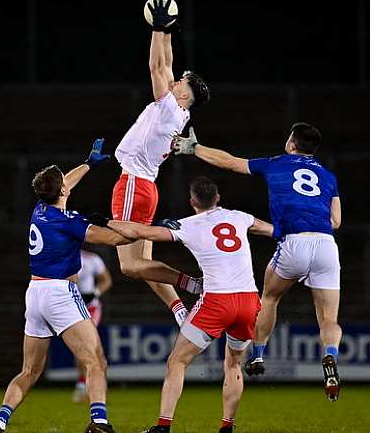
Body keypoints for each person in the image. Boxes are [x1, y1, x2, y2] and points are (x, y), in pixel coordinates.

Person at [171, 122, 343, 401]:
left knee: (270, 298)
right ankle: (330, 357)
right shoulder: (329, 176)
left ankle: (259, 354)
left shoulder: (276, 163)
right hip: (325, 245)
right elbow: (336, 221)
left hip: (294, 241)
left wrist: (194, 148)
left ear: (291, 143)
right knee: (329, 320)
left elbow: (230, 163)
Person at [0, 139, 136, 433]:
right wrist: (146, 229)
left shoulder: (39, 210)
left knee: (29, 371)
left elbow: (62, 184)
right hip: (60, 294)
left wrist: (88, 165)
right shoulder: (69, 221)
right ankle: (99, 421)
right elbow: (117, 239)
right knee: (96, 361)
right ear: (63, 192)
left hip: (34, 294)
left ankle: (0, 420)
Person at [104, 176, 272, 433]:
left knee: (177, 362)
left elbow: (139, 232)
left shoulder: (188, 225)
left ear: (192, 201)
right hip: (249, 300)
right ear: (217, 198)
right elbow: (272, 229)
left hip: (217, 301)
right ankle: (227, 426)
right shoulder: (240, 217)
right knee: (234, 363)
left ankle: (163, 426)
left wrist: (105, 221)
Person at [112, 0, 210, 325]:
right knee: (144, 264)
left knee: (128, 265)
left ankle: (193, 284)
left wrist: (157, 28)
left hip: (133, 184)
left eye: (180, 83)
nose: (174, 81)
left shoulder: (171, 108)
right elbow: (166, 66)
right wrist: (166, 31)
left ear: (183, 95)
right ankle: (181, 311)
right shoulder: (179, 113)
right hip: (146, 187)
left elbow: (157, 66)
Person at [72, 248, 113, 403]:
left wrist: (95, 292)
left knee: (89, 344)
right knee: (81, 346)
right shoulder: (66, 254)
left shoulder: (92, 259)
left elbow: (106, 280)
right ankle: (83, 382)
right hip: (73, 305)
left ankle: (90, 384)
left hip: (90, 306)